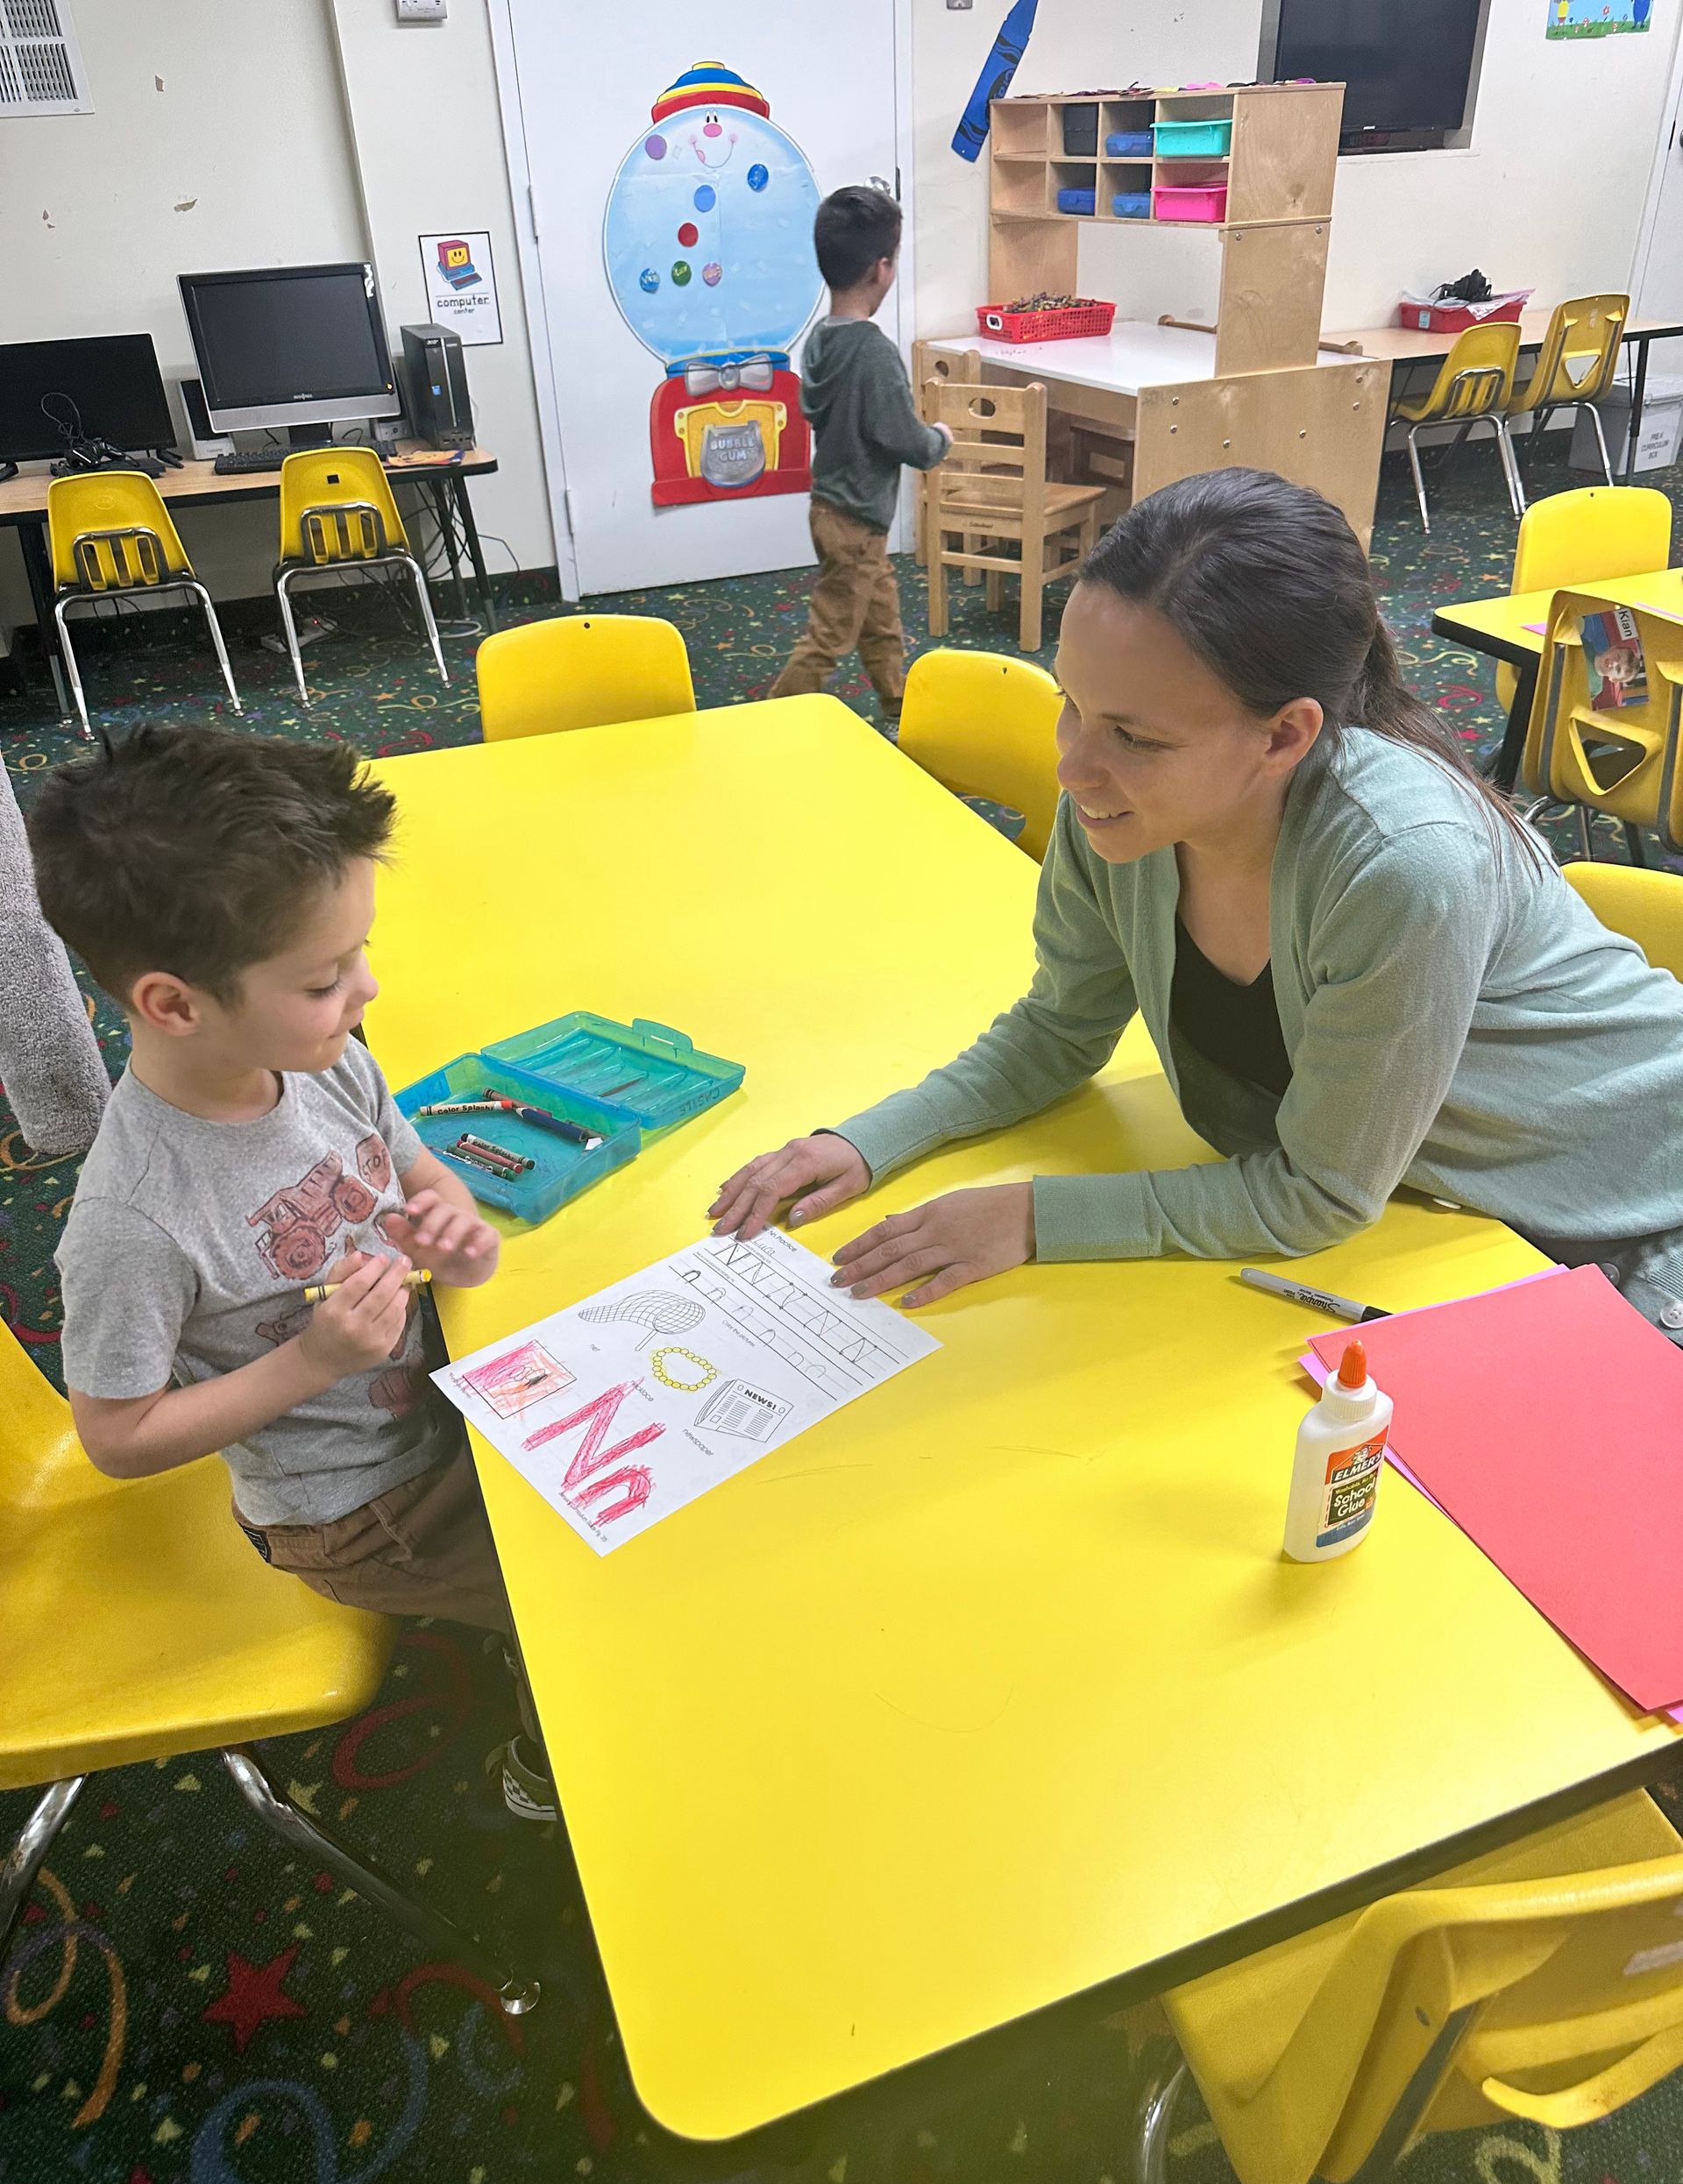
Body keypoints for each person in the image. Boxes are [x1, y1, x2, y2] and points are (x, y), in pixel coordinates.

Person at [716, 467, 1683, 1342]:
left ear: (1284, 735)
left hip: (1632, 1208)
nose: (1074, 764)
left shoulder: (1400, 864)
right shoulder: (1125, 816)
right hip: (1453, 1222)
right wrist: (865, 1139)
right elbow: (1058, 1030)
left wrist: (1031, 1216)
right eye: (1073, 705)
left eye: (1134, 735)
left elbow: (1317, 1195)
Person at [29, 725, 556, 1819]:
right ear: (175, 1004)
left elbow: (419, 1172)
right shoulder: (135, 1218)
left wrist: (450, 1225)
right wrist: (311, 1362)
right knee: (576, 1589)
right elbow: (116, 1439)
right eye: (325, 977)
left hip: (437, 1400)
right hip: (357, 1506)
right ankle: (541, 1764)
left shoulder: (318, 1056)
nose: (367, 988)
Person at [768, 183, 951, 726]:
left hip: (834, 510)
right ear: (882, 269)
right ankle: (769, 721)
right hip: (856, 520)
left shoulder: (821, 338)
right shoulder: (874, 352)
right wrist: (940, 439)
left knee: (880, 615)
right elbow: (904, 439)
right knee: (828, 636)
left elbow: (809, 407)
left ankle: (898, 704)